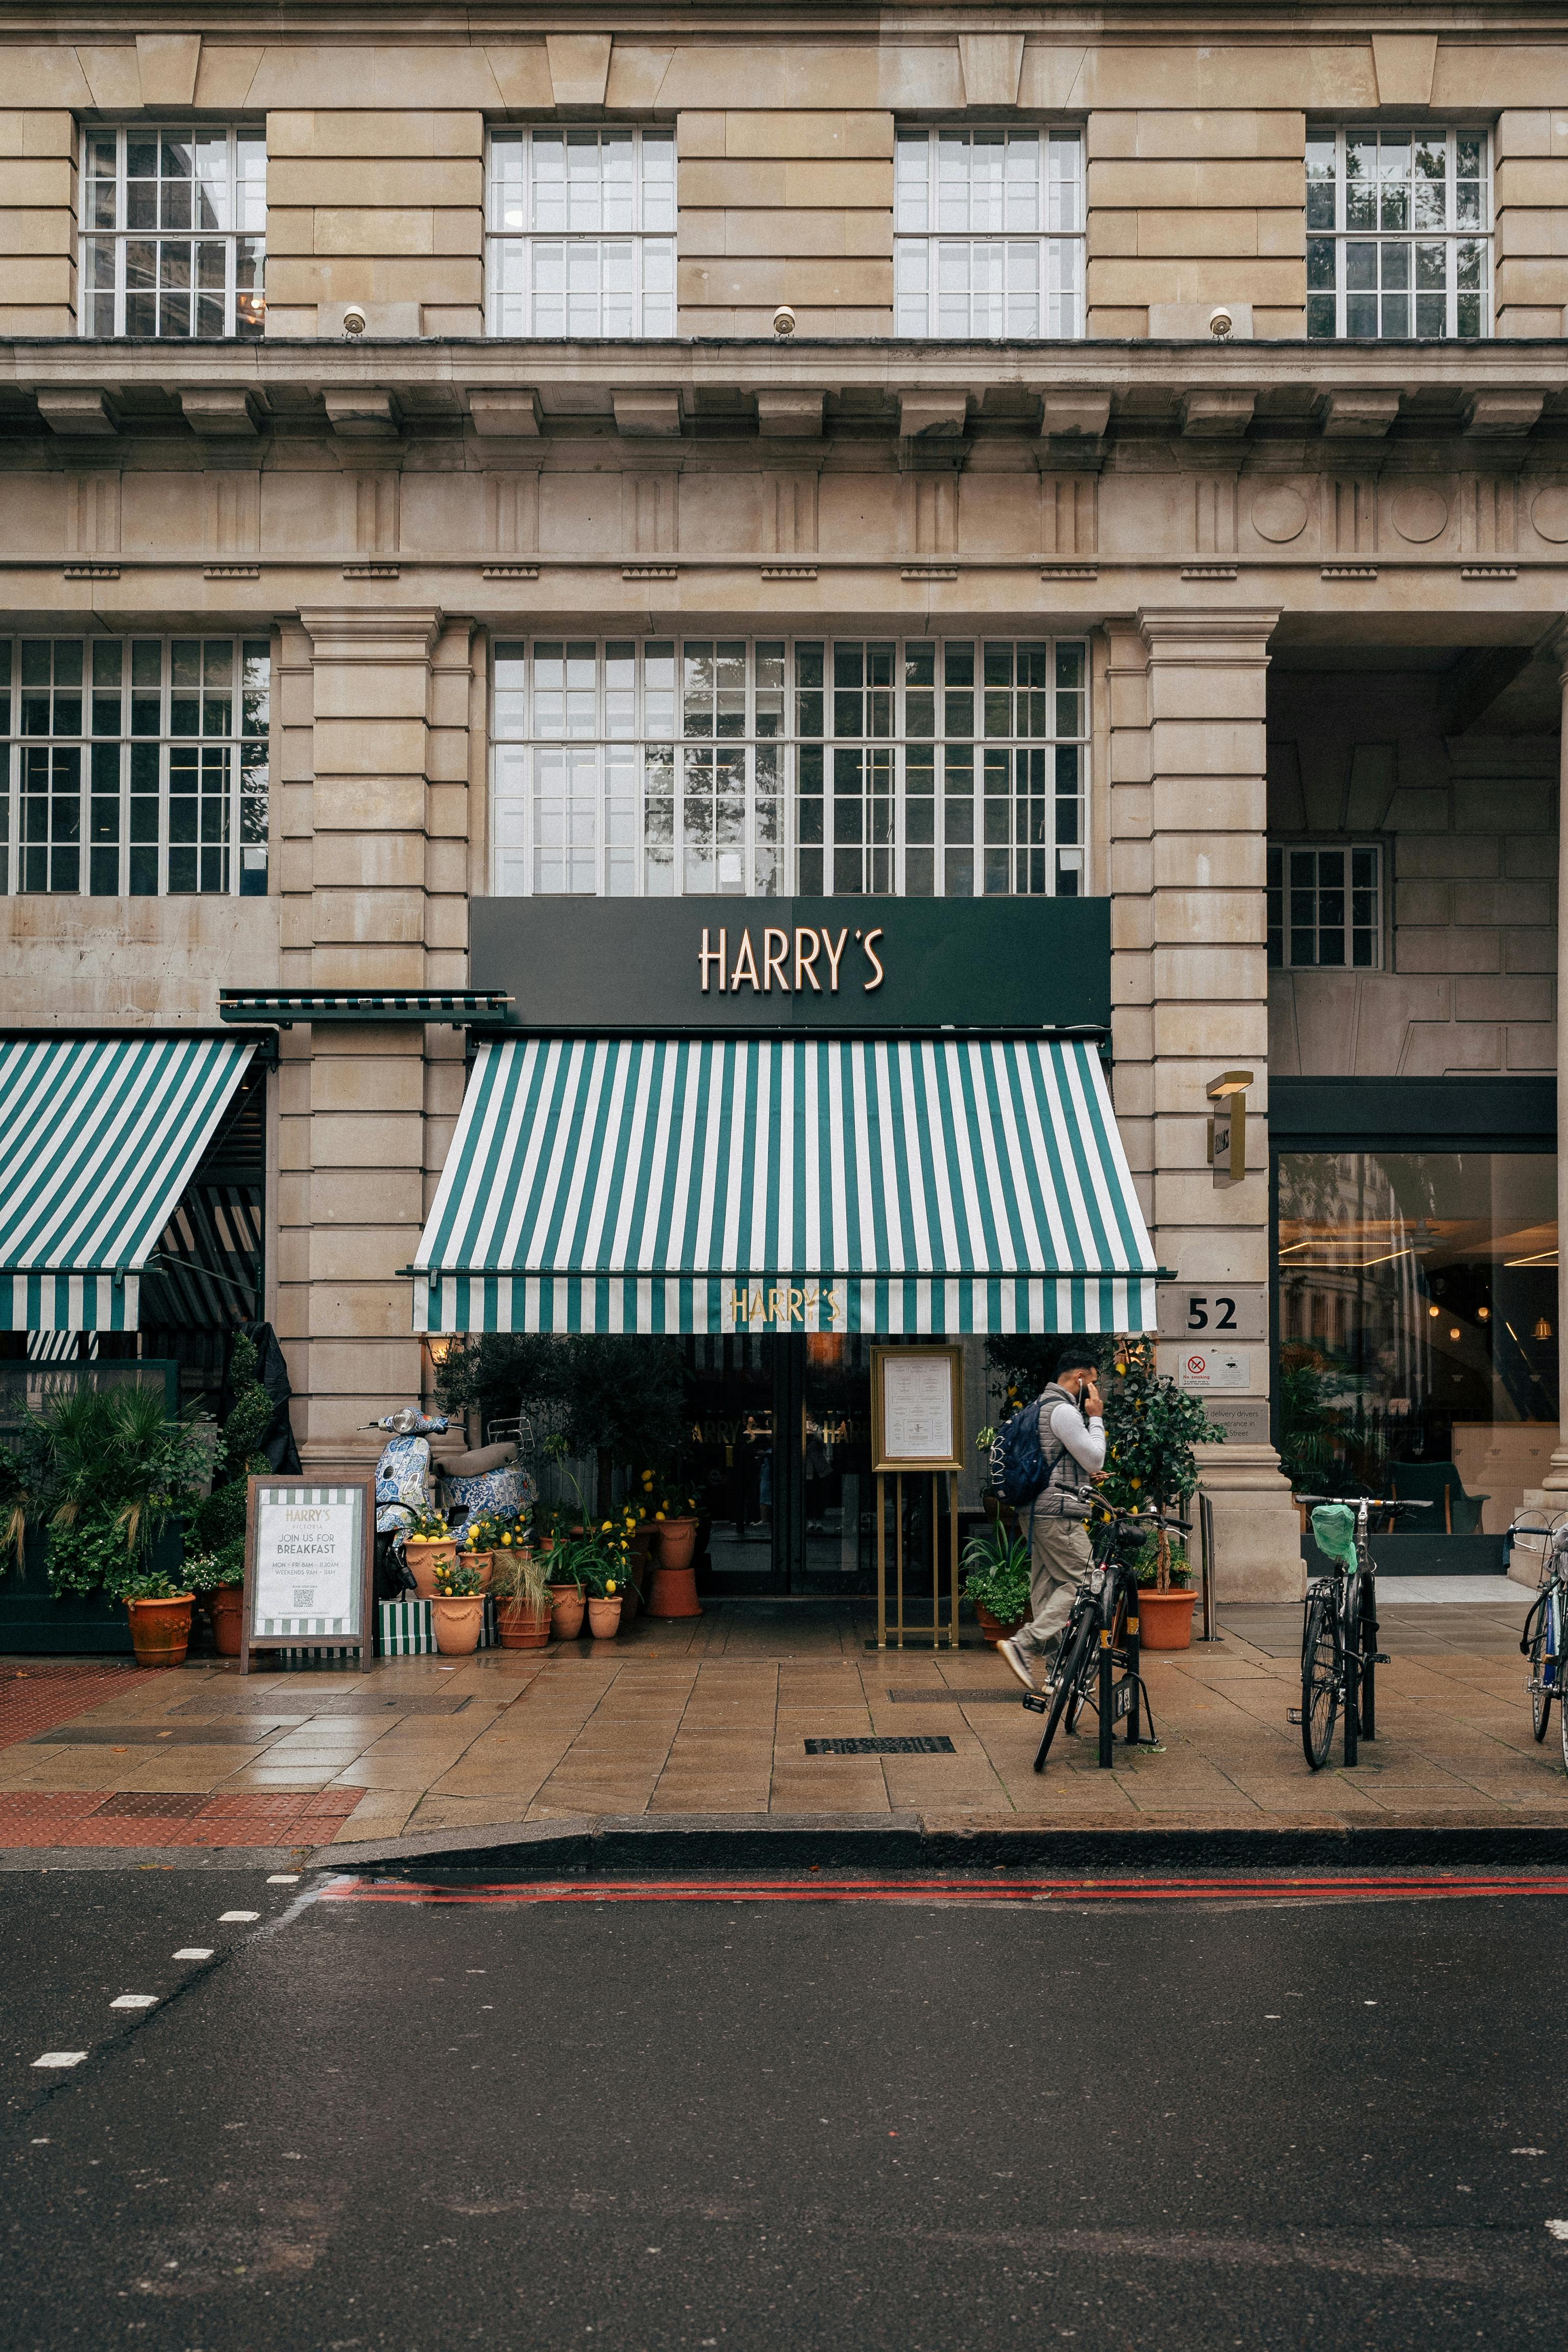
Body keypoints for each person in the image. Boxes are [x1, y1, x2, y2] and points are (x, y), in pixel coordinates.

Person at [997, 1346, 1106, 1696]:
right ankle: (1023, 1644)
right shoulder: (1064, 1411)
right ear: (1080, 1379)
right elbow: (1094, 1455)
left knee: (1045, 1593)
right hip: (1059, 1514)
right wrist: (1097, 1417)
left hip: (1037, 1511)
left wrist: (1085, 1476)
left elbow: (1057, 1460)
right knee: (1089, 1581)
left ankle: (1057, 1673)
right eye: (1093, 1383)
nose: (1095, 1391)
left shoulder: (1038, 1407)